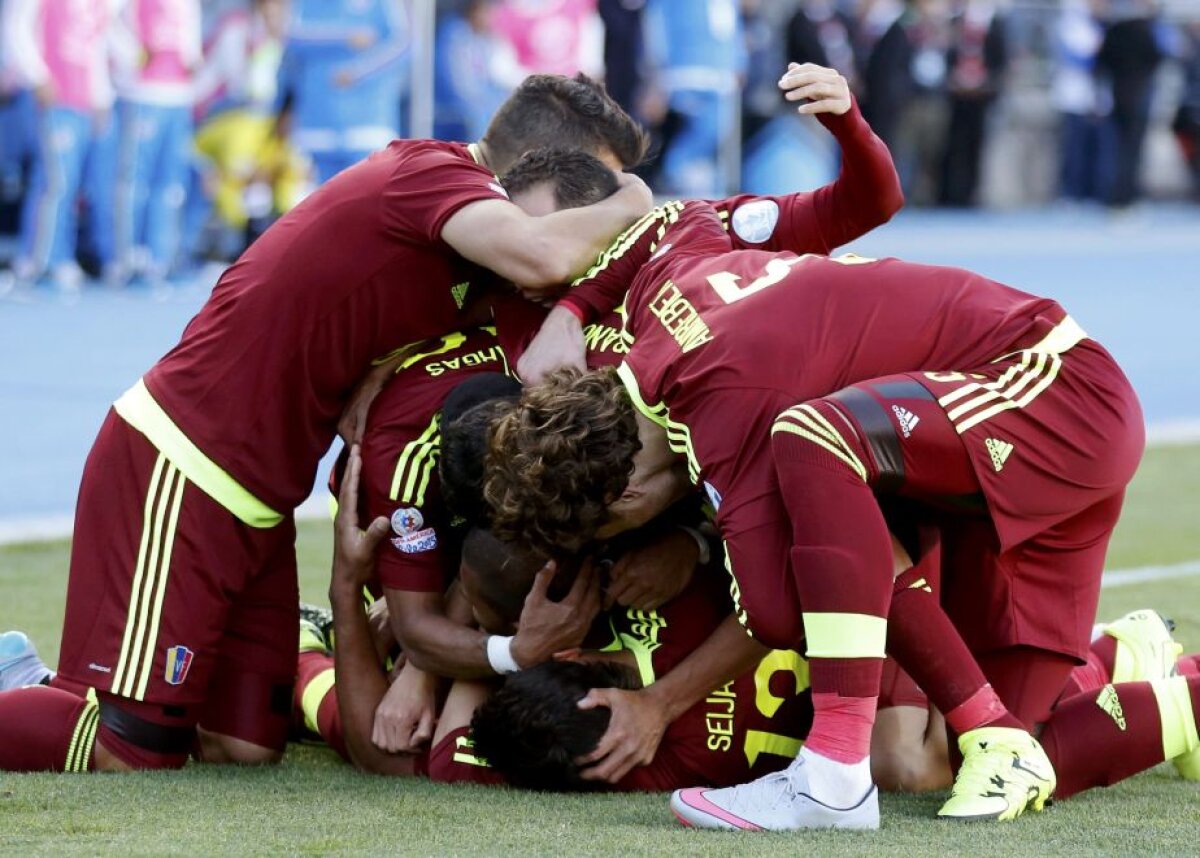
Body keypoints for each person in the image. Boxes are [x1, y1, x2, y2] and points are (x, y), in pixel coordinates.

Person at [0, 71, 652, 775]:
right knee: (128, 750)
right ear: (533, 167)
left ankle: (21, 678)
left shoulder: (465, 252)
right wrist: (639, 198)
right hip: (185, 462)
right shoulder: (427, 175)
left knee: (242, 748)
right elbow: (548, 251)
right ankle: (37, 696)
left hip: (257, 495)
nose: (593, 218)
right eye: (592, 188)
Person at [484, 196, 1144, 827]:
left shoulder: (727, 421)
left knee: (812, 439)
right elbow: (671, 220)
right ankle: (1095, 700)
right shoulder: (661, 311)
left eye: (613, 536)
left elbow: (772, 611)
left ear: (624, 498)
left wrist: (691, 557)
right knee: (981, 750)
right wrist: (572, 309)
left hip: (1051, 392)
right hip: (969, 462)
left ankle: (831, 774)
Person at [349, 62, 903, 752]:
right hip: (615, 527)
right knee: (488, 456)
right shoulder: (523, 300)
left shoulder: (698, 234)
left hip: (756, 493)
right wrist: (382, 366)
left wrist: (847, 121)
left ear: (597, 216)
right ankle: (466, 664)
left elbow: (867, 204)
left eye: (545, 239)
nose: (528, 262)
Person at [3, 0, 121, 290]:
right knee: (55, 182)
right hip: (53, 97)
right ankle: (37, 262)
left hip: (84, 102)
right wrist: (36, 76)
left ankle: (61, 256)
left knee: (76, 185)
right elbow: (15, 29)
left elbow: (95, 45)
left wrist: (100, 97)